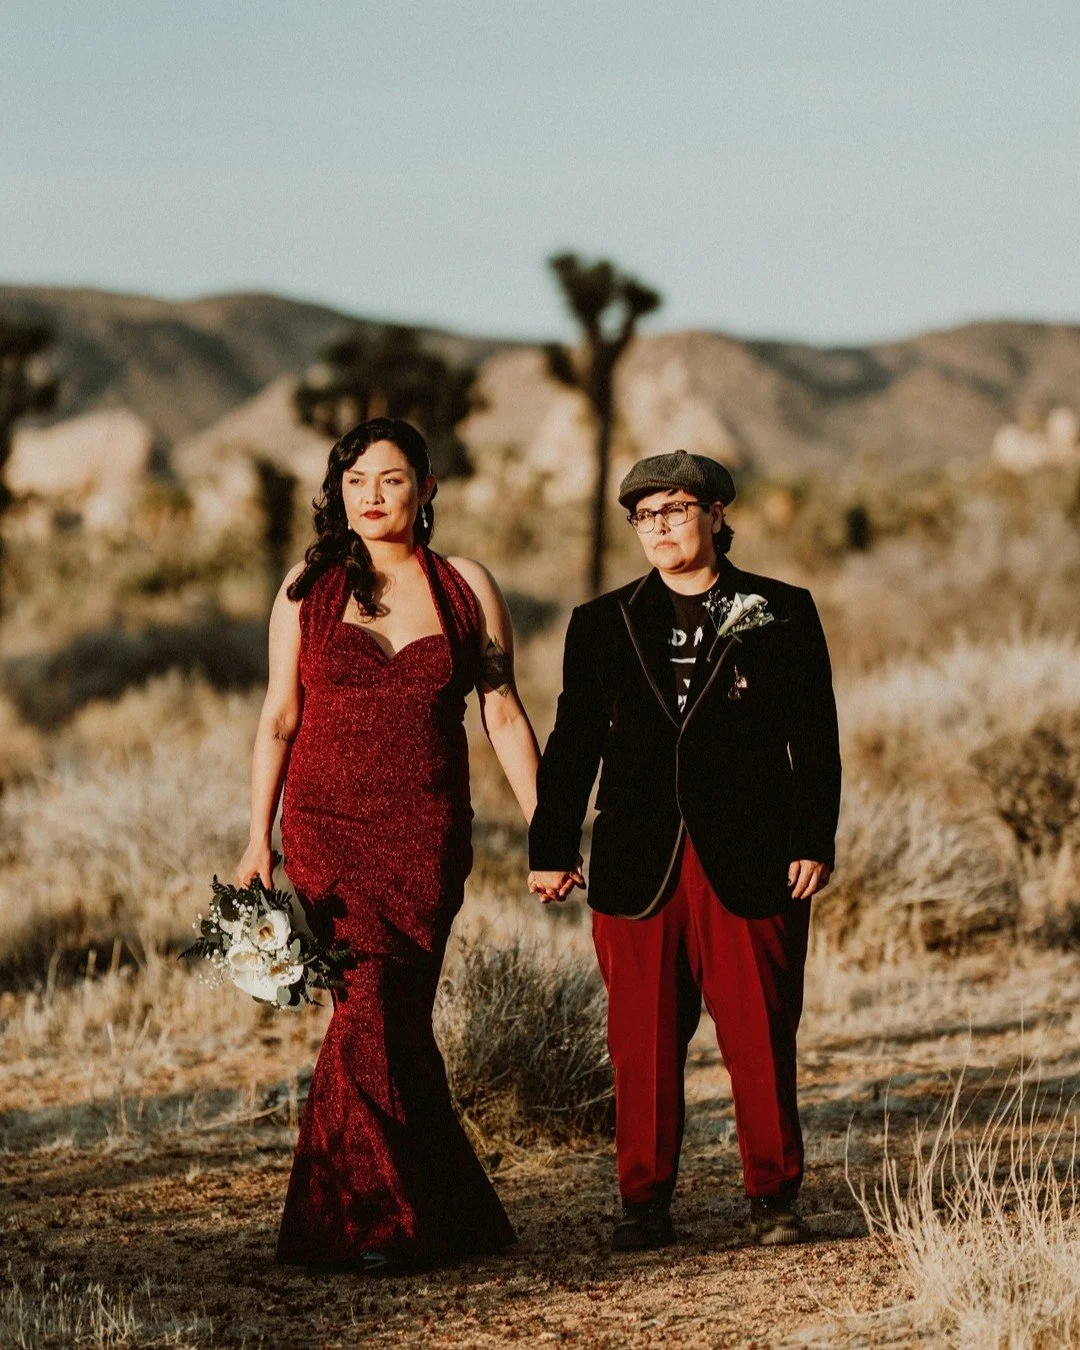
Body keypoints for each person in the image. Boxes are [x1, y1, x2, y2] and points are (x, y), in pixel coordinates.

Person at [236, 416, 541, 1273]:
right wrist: (258, 839)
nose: (372, 496)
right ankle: (376, 1223)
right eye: (356, 480)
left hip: (427, 833)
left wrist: (547, 829)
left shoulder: (465, 586)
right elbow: (279, 718)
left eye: (392, 479)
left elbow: (503, 712)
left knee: (397, 1020)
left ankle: (446, 1212)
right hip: (328, 831)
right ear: (337, 491)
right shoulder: (308, 588)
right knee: (366, 1006)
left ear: (427, 489)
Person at [528, 449, 841, 1251]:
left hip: (753, 854)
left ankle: (773, 1198)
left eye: (675, 509)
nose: (659, 527)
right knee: (642, 1044)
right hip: (638, 859)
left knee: (761, 1034)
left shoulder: (782, 611)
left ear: (716, 513)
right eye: (645, 515)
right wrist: (551, 845)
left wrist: (813, 838)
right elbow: (572, 741)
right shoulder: (601, 622)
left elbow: (816, 737)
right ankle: (644, 1206)